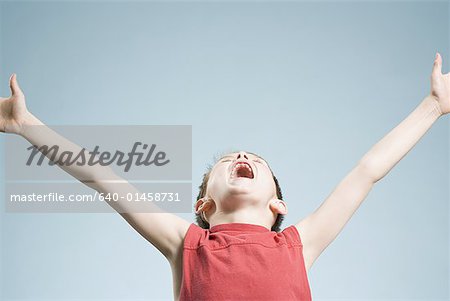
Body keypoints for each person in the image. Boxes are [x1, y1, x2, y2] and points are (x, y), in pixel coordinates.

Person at [1, 53, 448, 300]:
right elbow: (104, 179)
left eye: (254, 158)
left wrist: (434, 105)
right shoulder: (187, 245)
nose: (239, 154)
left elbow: (367, 172)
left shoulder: (298, 244)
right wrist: (28, 127)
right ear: (202, 206)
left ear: (279, 205)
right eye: (226, 160)